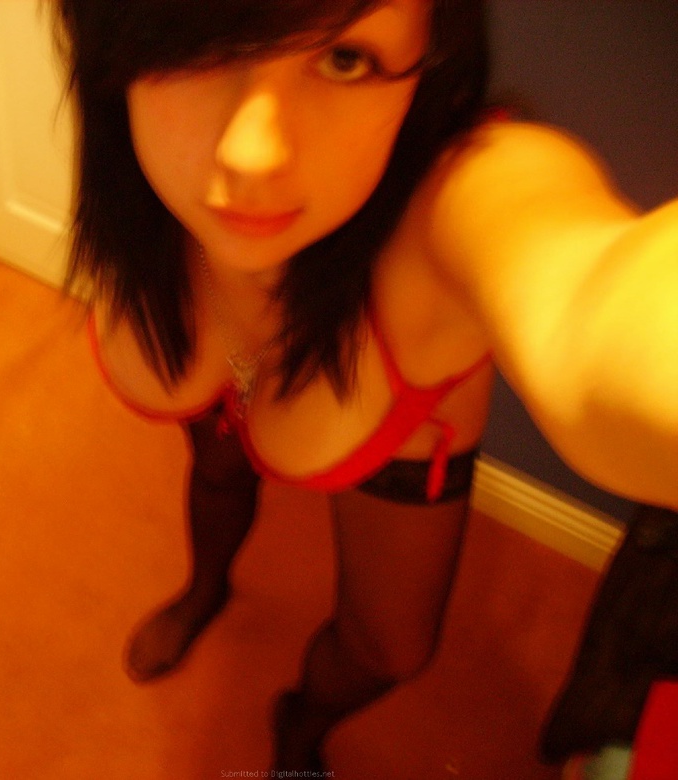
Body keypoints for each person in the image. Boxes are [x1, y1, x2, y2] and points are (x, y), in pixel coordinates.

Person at [52, 0, 678, 772]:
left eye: (345, 59)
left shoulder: (458, 195)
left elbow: (593, 302)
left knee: (390, 647)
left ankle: (300, 729)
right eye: (206, 44)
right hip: (236, 380)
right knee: (216, 473)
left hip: (396, 421)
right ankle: (203, 591)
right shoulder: (135, 165)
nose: (253, 154)